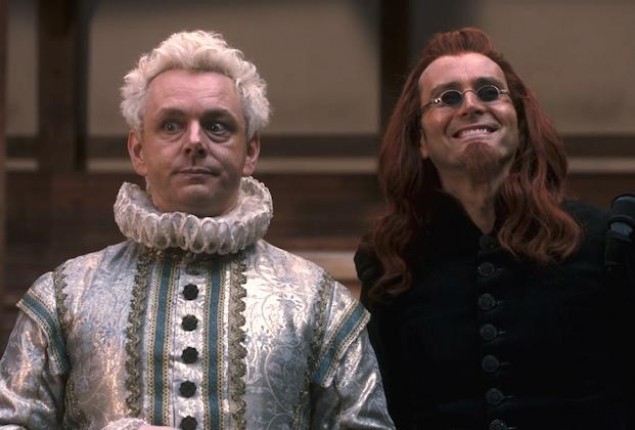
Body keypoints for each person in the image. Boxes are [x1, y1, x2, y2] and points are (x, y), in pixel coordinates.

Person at [0, 30, 395, 430]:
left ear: (250, 151)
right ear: (138, 150)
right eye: (171, 125)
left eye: (217, 126)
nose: (194, 141)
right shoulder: (64, 296)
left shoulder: (319, 302)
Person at [355, 27, 635, 430]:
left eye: (489, 92)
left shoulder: (604, 242)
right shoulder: (392, 262)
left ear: (519, 123)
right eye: (448, 97)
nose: (471, 105)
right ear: (420, 140)